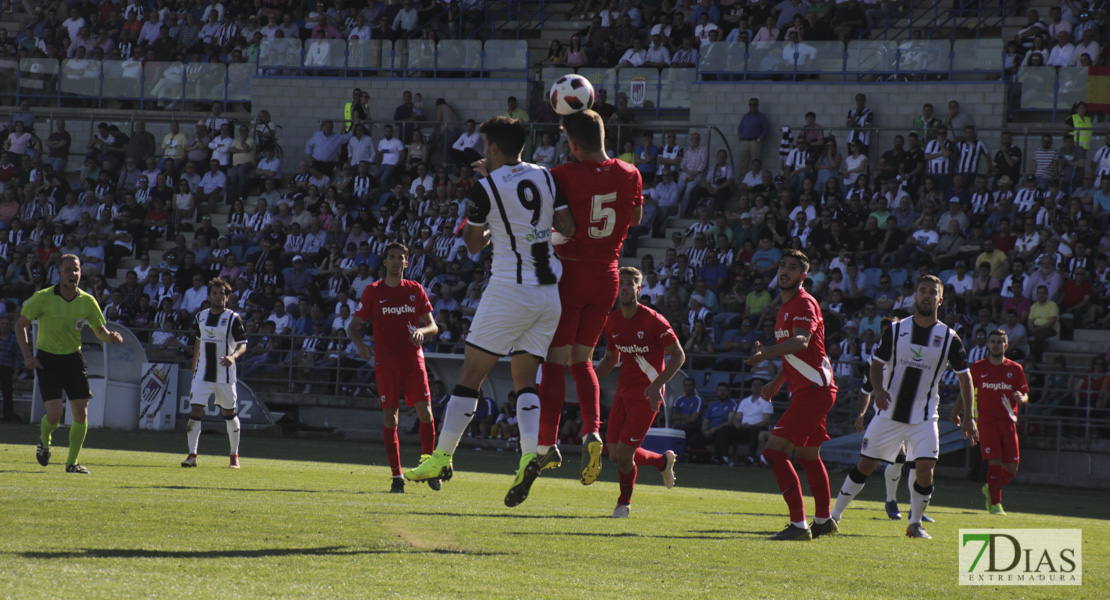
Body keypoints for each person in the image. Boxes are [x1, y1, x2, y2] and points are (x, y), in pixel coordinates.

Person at [404, 117, 576, 509]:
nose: (483, 154)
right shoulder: (547, 176)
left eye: (485, 148)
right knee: (525, 378)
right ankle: (530, 453)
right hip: (549, 294)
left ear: (493, 149)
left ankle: (442, 457)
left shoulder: (485, 188)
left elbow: (473, 245)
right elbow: (567, 225)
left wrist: (480, 204)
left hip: (509, 291)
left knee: (470, 376)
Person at [537, 110, 642, 485]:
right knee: (582, 361)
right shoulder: (631, 173)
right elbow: (634, 219)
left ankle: (546, 443)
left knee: (554, 361)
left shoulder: (563, 174)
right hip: (609, 276)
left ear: (574, 145)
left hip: (571, 273)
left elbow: (550, 221)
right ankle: (592, 432)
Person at [830, 275, 977, 540]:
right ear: (915, 296)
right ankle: (834, 516)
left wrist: (969, 416)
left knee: (925, 470)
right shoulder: (897, 331)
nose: (926, 295)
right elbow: (875, 365)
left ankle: (915, 523)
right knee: (865, 465)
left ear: (940, 300)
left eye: (932, 292)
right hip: (888, 414)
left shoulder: (949, 338)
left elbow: (965, 377)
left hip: (924, 418)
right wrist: (878, 390)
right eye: (922, 290)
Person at [745, 249, 839, 541]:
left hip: (814, 391)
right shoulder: (785, 307)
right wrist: (775, 382)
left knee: (773, 452)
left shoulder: (803, 303)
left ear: (803, 275)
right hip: (811, 389)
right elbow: (796, 355)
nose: (785, 270)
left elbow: (801, 341)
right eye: (783, 265)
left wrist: (766, 353)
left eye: (793, 267)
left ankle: (799, 526)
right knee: (808, 456)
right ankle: (824, 521)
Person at [16, 255, 124, 474]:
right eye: (68, 270)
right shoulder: (43, 297)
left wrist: (111, 337)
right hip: (48, 360)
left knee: (81, 413)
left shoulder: (87, 301)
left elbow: (100, 332)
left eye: (76, 270)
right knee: (54, 415)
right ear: (59, 272)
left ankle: (72, 463)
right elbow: (20, 325)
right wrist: (28, 356)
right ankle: (45, 440)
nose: (73, 274)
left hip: (74, 359)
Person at [348, 242, 440, 494]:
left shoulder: (415, 290)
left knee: (426, 414)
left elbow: (433, 326)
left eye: (401, 257)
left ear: (407, 263)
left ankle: (429, 466)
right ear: (385, 262)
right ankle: (397, 475)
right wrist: (359, 345)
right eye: (392, 257)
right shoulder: (373, 291)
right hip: (386, 364)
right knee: (391, 417)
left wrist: (422, 330)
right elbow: (353, 326)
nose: (396, 261)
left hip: (413, 362)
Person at [595, 267, 684, 517]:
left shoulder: (653, 320)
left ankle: (624, 503)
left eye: (629, 283)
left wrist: (657, 385)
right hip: (623, 392)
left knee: (624, 454)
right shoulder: (612, 321)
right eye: (620, 283)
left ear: (638, 289)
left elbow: (679, 356)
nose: (624, 287)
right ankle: (661, 462)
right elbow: (612, 358)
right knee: (614, 454)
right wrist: (589, 375)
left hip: (647, 394)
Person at [954, 330, 1029, 515]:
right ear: (988, 345)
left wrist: (1022, 397)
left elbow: (1025, 393)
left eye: (1000, 341)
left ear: (1006, 345)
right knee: (994, 461)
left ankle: (991, 487)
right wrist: (956, 413)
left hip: (1009, 422)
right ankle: (996, 504)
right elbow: (966, 392)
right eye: (992, 341)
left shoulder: (1015, 369)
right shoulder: (978, 368)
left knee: (1012, 467)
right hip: (987, 422)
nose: (996, 344)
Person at [181, 278, 248, 469]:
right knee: (195, 411)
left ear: (227, 298)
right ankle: (192, 455)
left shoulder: (234, 318)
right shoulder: (200, 317)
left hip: (224, 375)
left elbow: (243, 345)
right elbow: (198, 343)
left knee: (229, 414)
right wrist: (193, 368)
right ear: (209, 295)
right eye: (215, 293)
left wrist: (233, 356)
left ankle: (234, 456)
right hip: (202, 374)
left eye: (222, 294)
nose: (218, 297)